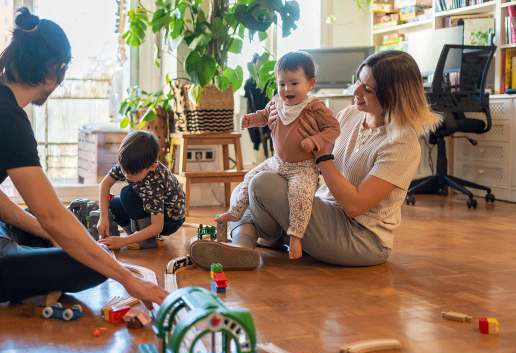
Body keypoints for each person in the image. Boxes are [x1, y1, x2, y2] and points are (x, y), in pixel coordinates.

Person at [0, 7, 168, 308]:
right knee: (92, 262)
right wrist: (129, 280)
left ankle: (25, 276)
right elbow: (51, 215)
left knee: (50, 232)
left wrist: (52, 233)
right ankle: (24, 283)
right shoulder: (6, 118)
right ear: (54, 71)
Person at [194, 50, 442, 268]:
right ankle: (242, 249)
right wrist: (281, 128)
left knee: (262, 184)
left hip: (360, 237)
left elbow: (354, 206)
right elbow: (301, 160)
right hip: (322, 212)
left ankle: (248, 239)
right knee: (250, 183)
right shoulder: (350, 115)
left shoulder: (401, 143)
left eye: (367, 89)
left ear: (393, 95)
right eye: (357, 81)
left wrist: (322, 153)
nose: (355, 91)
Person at [215, 51, 340, 260]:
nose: (287, 89)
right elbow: (264, 116)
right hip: (277, 162)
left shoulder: (314, 107)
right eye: (282, 84)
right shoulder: (276, 102)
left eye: (293, 83)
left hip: (303, 167)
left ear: (310, 83)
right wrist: (250, 120)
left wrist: (315, 140)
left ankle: (295, 237)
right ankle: (236, 212)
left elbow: (334, 128)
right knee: (249, 178)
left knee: (300, 197)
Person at [97, 131, 186, 250]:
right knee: (112, 204)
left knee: (127, 193)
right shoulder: (129, 163)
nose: (127, 176)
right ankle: (136, 235)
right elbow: (105, 184)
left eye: (133, 174)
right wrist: (103, 217)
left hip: (169, 220)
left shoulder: (156, 183)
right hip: (149, 207)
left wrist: (124, 241)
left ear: (152, 167)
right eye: (124, 171)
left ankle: (147, 239)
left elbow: (157, 226)